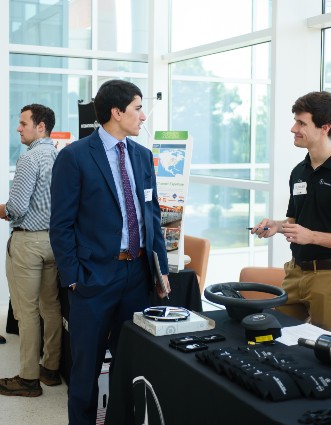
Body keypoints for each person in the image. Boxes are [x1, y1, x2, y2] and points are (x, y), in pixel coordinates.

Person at [49, 79, 170, 425]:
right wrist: (73, 278)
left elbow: (152, 215)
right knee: (86, 368)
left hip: (137, 277)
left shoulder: (143, 156)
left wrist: (158, 269)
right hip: (93, 278)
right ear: (116, 113)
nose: (143, 116)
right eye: (137, 108)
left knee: (131, 365)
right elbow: (61, 226)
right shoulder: (74, 157)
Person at [251, 90, 331, 331]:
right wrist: (276, 226)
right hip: (295, 273)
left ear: (325, 127)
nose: (293, 128)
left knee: (322, 355)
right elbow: (295, 220)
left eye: (301, 122)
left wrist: (311, 237)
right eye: (295, 120)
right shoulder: (299, 171)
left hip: (327, 278)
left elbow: (308, 232)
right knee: (279, 339)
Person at [0, 104, 62, 397]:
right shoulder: (58, 155)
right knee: (50, 306)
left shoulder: (29, 159)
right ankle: (50, 369)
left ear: (41, 127)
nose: (18, 128)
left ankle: (27, 379)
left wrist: (1, 209)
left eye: (23, 123)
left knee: (26, 312)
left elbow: (16, 208)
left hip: (28, 244)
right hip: (54, 242)